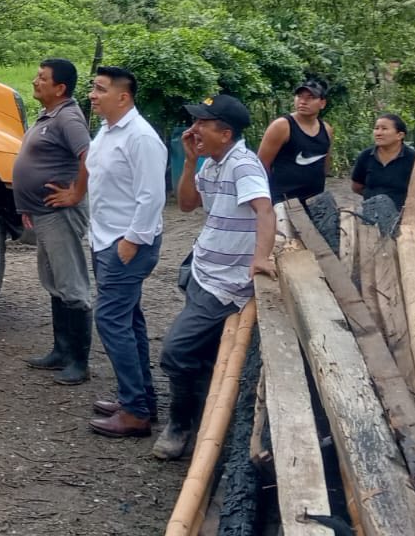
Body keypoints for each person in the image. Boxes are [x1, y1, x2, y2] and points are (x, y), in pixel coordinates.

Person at [155, 93, 276, 461]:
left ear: (225, 133)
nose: (194, 129)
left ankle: (180, 424)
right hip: (202, 270)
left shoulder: (243, 165)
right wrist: (190, 161)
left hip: (225, 284)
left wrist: (260, 259)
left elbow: (265, 210)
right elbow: (187, 204)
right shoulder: (212, 163)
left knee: (175, 352)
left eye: (202, 124)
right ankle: (205, 422)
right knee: (203, 353)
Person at [81, 67, 167, 439]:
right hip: (105, 239)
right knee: (129, 319)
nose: (93, 95)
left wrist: (132, 240)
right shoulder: (107, 130)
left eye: (100, 89)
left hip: (127, 243)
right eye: (93, 88)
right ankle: (141, 399)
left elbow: (152, 196)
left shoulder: (141, 138)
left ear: (123, 97)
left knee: (111, 320)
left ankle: (135, 412)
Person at [13, 58, 93, 385]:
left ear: (60, 88)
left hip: (61, 214)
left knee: (71, 284)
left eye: (42, 78)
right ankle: (61, 351)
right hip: (43, 213)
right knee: (54, 281)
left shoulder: (68, 117)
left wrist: (76, 193)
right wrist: (27, 204)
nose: (35, 81)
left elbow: (89, 156)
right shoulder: (49, 115)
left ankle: (79, 362)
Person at [258, 78, 332, 207]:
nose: (303, 101)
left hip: (316, 201)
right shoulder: (282, 126)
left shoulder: (326, 129)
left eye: (310, 97)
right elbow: (261, 165)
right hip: (285, 202)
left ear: (322, 103)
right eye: (299, 96)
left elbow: (325, 164)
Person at [350, 113, 415, 211]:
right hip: (371, 212)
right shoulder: (366, 156)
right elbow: (357, 186)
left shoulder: (414, 158)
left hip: (404, 213)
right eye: (376, 128)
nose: (378, 133)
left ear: (400, 135)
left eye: (384, 129)